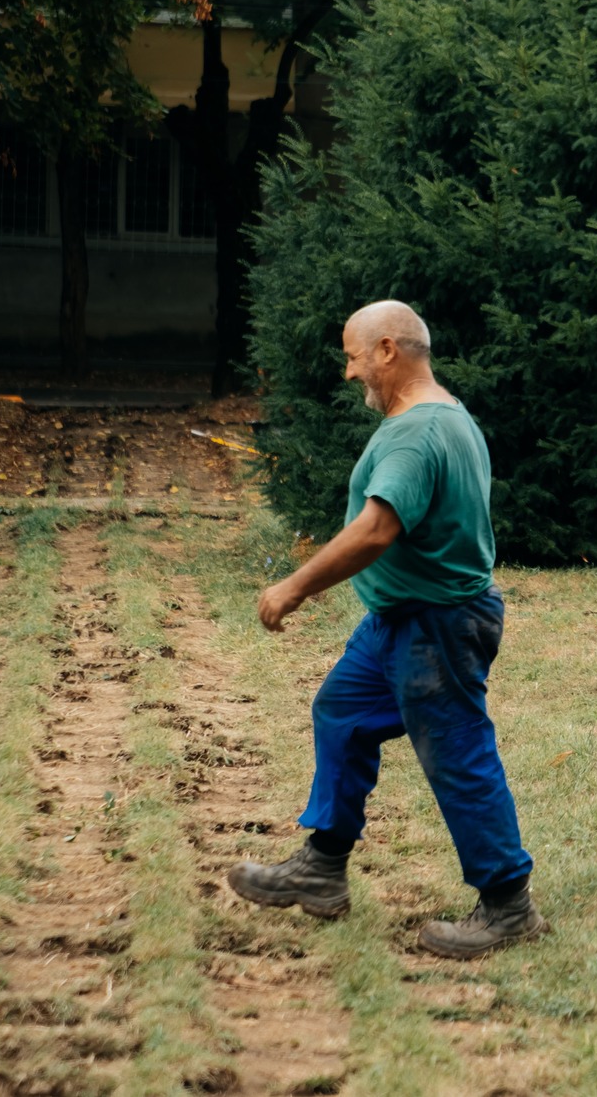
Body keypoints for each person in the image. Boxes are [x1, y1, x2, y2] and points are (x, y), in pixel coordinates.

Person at [227, 300, 544, 960]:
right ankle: (321, 867)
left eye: (352, 355)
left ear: (388, 350)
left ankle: (509, 903)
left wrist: (293, 587)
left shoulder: (415, 434)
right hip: (406, 619)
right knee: (341, 712)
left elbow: (377, 528)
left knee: (456, 752)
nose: (349, 372)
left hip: (437, 626)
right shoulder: (447, 416)